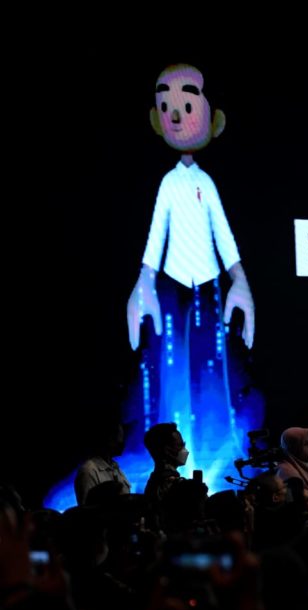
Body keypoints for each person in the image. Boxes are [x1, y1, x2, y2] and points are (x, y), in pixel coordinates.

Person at [127, 63, 255, 470]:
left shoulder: (207, 183)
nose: (177, 115)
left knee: (210, 361)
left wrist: (240, 280)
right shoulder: (168, 183)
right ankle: (170, 454)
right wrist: (143, 281)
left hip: (209, 281)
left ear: (211, 117)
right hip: (170, 281)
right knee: (168, 362)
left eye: (186, 103)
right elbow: (155, 235)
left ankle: (217, 444)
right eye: (167, 105)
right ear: (156, 116)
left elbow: (223, 233)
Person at [74, 423, 131, 505]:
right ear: (109, 439)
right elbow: (86, 512)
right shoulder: (88, 471)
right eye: (120, 437)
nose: (122, 442)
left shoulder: (115, 467)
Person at [142, 422, 189, 506]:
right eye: (180, 445)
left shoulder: (155, 480)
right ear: (167, 450)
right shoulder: (169, 483)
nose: (185, 450)